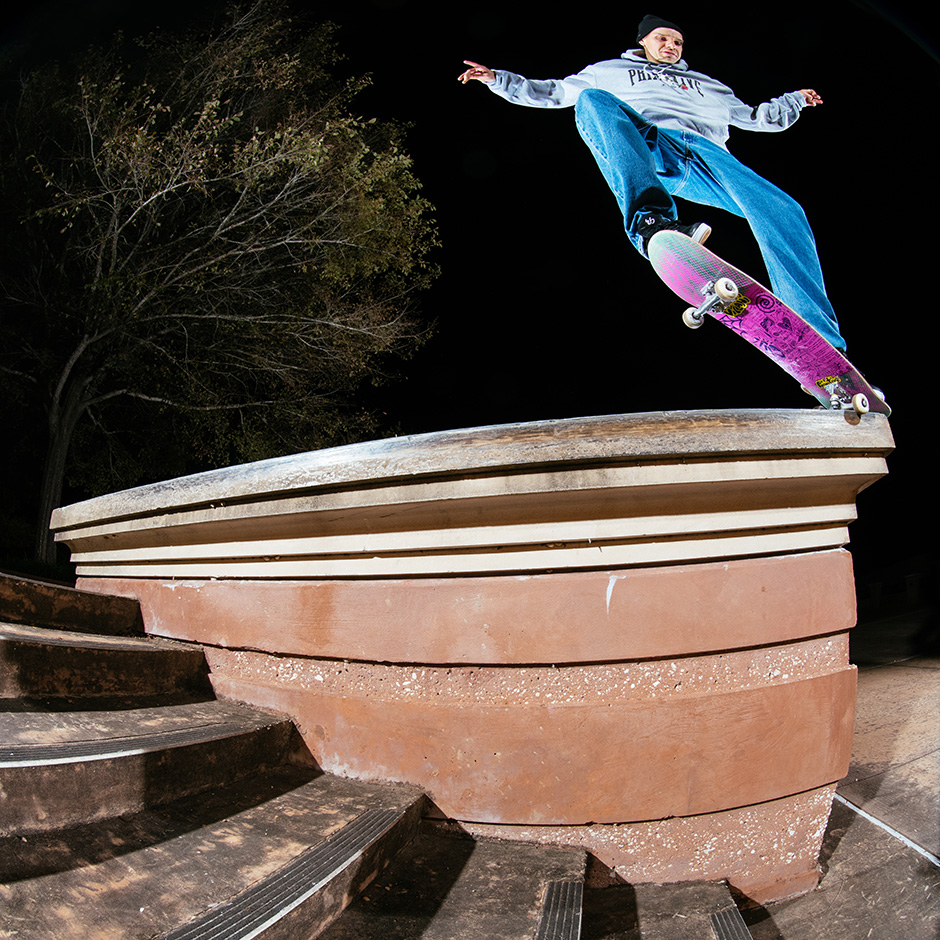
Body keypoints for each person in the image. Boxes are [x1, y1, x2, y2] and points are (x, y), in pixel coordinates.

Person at [458, 15, 845, 351]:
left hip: (712, 158)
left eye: (677, 42)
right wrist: (499, 80)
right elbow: (555, 92)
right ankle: (651, 221)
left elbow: (756, 116)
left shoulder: (710, 86)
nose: (670, 46)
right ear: (643, 41)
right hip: (656, 145)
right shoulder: (608, 71)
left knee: (785, 211)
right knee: (592, 100)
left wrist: (793, 101)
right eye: (662, 38)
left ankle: (818, 337)